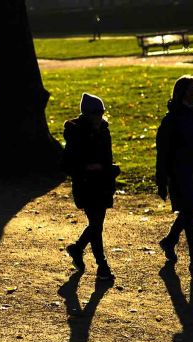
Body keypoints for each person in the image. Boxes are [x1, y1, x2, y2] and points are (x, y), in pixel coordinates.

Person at [155, 75, 193, 274]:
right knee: (191, 215)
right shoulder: (172, 120)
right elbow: (163, 152)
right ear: (181, 93)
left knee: (190, 212)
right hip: (180, 173)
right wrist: (162, 180)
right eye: (190, 91)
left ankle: (170, 240)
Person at [63, 92, 120, 279]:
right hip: (86, 185)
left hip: (103, 184)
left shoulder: (104, 129)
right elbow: (68, 163)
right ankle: (102, 265)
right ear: (86, 114)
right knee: (96, 224)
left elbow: (107, 157)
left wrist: (109, 169)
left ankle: (77, 248)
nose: (99, 116)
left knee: (97, 224)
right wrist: (87, 167)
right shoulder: (75, 132)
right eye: (96, 113)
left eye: (101, 112)